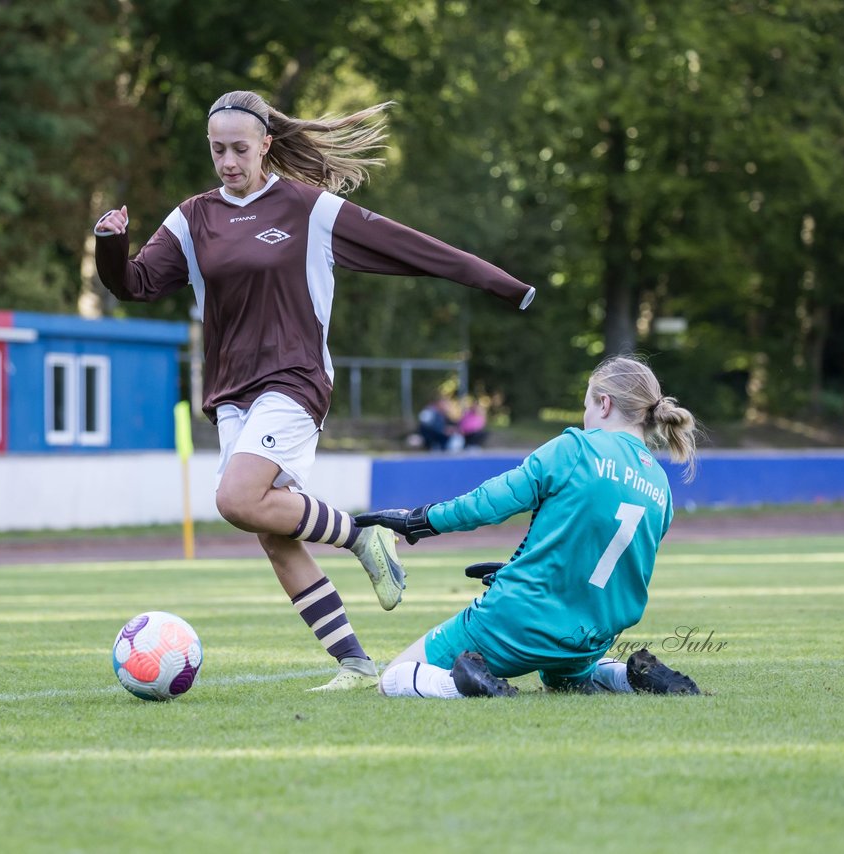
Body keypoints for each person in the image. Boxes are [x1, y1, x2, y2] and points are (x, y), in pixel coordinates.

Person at [94, 90, 536, 690]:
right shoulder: (193, 217)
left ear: (266, 146)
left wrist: (504, 286)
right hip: (232, 393)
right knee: (272, 534)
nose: (227, 161)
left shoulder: (308, 209)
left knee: (235, 499)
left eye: (240, 149)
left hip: (294, 379)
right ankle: (354, 664)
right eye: (218, 149)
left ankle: (362, 536)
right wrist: (109, 244)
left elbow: (412, 247)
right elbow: (134, 284)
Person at [356, 356, 702, 698]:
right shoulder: (661, 486)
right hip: (589, 636)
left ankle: (462, 685)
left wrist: (420, 521)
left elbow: (489, 503)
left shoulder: (576, 448)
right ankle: (629, 678)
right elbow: (606, 561)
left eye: (587, 407)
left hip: (517, 620)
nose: (585, 418)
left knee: (395, 677)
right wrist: (521, 567)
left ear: (605, 403)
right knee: (562, 682)